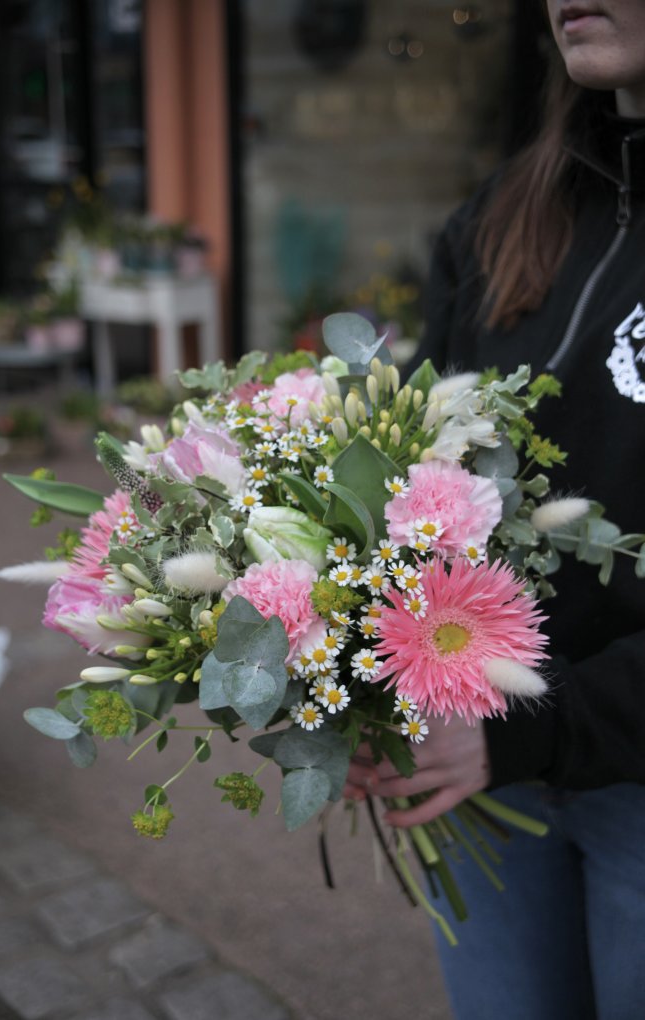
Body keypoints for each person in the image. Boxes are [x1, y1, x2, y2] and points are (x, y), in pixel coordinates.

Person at [345, 3, 645, 1018]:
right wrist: (351, 669)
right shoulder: (505, 213)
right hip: (480, 772)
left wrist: (530, 726)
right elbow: (411, 475)